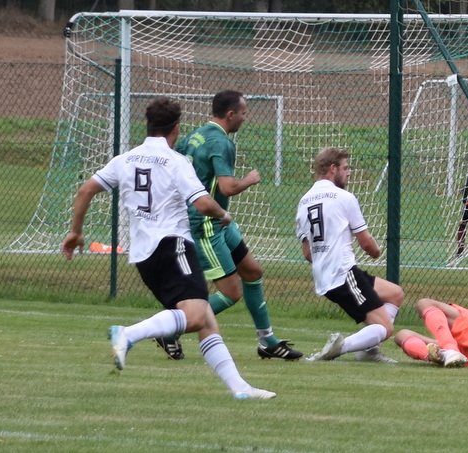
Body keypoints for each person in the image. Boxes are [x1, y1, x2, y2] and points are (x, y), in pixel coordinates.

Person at [61, 97, 275, 399]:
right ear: (176, 128)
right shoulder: (176, 162)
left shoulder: (125, 159)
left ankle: (240, 388)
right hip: (174, 246)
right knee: (197, 316)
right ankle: (128, 334)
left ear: (148, 126)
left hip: (144, 256)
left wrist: (75, 232)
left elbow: (85, 190)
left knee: (205, 319)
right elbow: (203, 203)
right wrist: (224, 215)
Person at [155, 89, 301, 361]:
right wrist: (250, 179)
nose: (245, 118)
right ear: (231, 114)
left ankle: (267, 341)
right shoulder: (222, 142)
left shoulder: (195, 135)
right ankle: (169, 329)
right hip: (206, 225)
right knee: (231, 293)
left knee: (253, 272)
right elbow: (227, 187)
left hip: (220, 221)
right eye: (243, 113)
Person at [296, 147, 405, 363]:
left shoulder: (304, 201)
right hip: (343, 273)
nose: (349, 173)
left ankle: (370, 351)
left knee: (395, 294)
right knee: (385, 327)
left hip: (326, 275)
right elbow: (367, 244)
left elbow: (308, 253)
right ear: (332, 168)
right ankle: (340, 347)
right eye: (345, 168)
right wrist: (376, 252)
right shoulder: (344, 197)